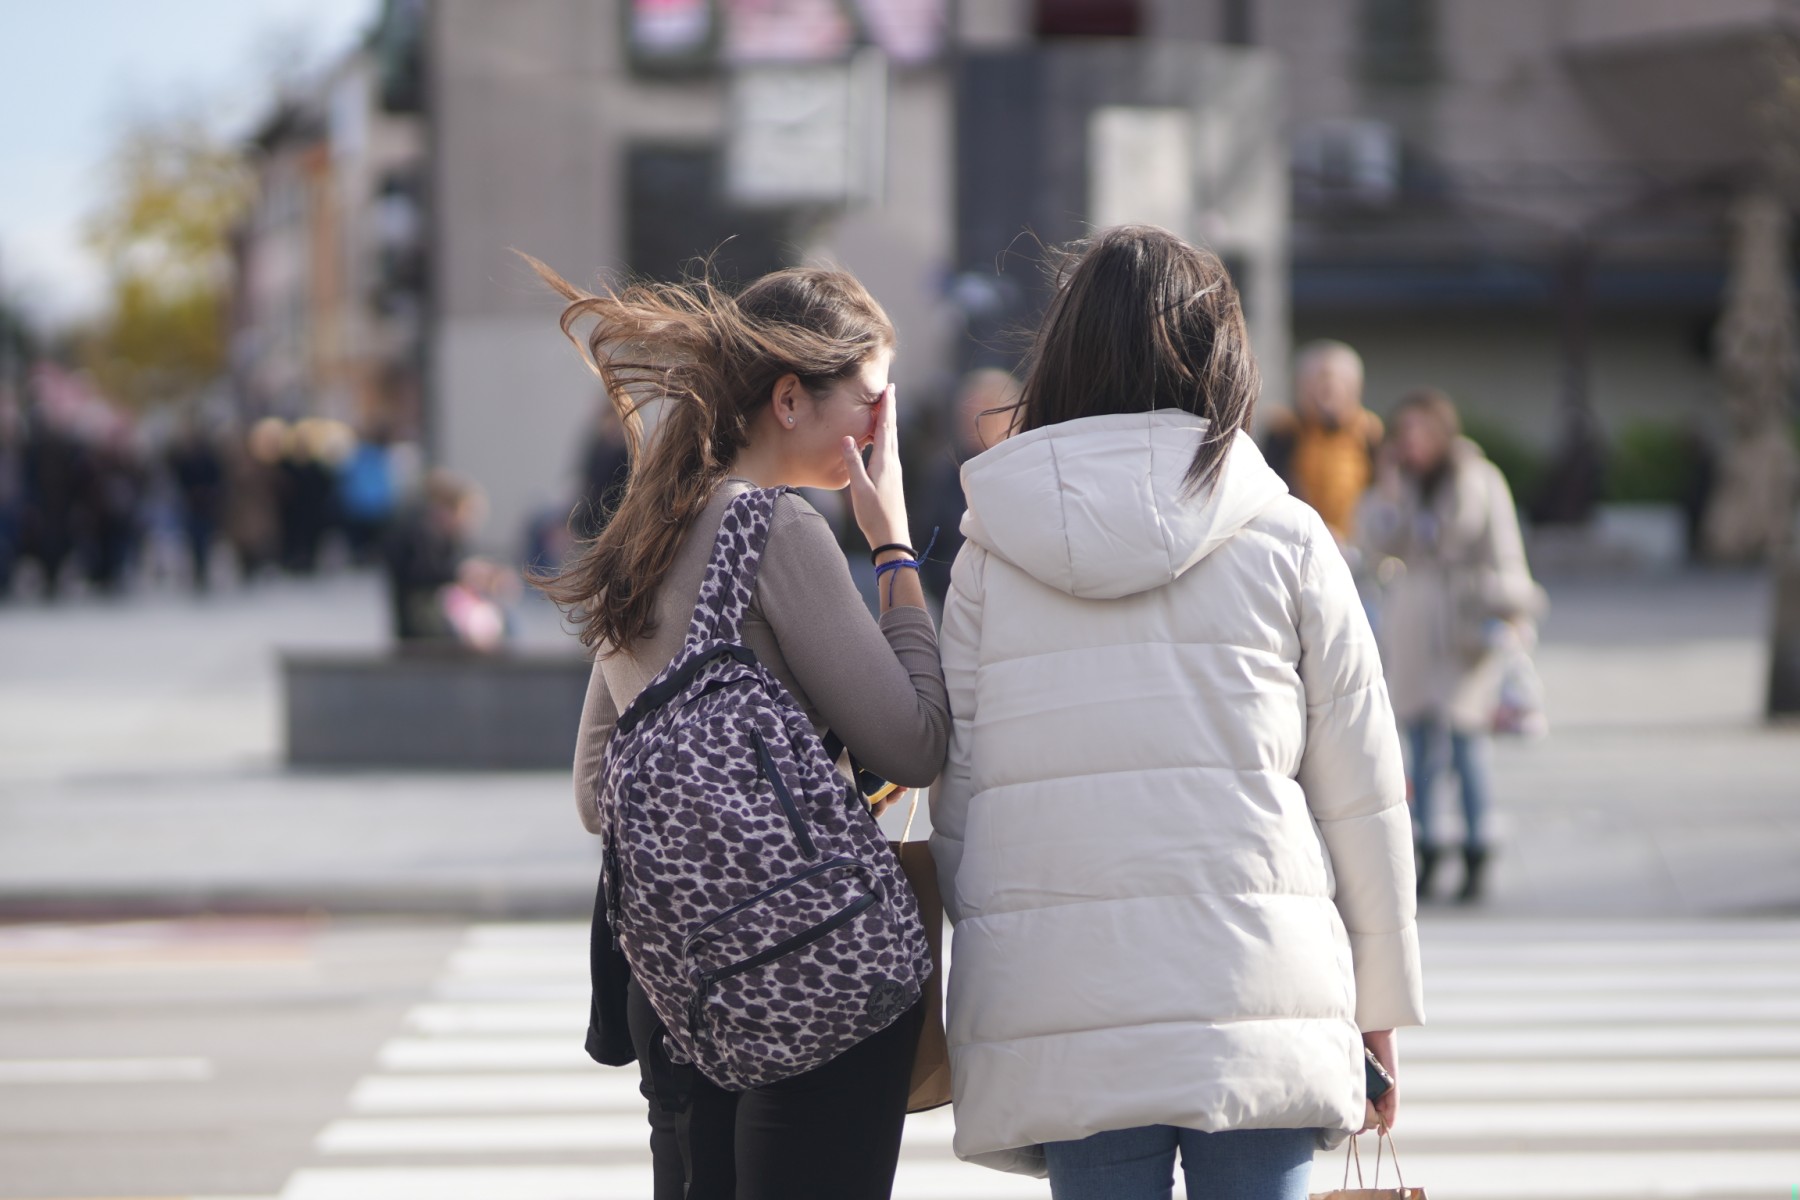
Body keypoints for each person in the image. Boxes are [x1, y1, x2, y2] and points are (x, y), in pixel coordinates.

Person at [930, 225, 1424, 1199]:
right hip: (1259, 989)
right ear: (1222, 356)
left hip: (1064, 999)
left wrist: (995, 980)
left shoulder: (992, 551)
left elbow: (962, 804)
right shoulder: (1285, 535)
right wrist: (1378, 1011)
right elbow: (1363, 793)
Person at [533, 257, 950, 1200]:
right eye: (873, 398)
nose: (886, 426)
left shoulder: (645, 526)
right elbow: (915, 744)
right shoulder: (778, 529)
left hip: (679, 988)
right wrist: (892, 548)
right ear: (792, 400)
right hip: (812, 978)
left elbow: (601, 790)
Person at [1358, 388, 1545, 903]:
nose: (1412, 442)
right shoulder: (1401, 485)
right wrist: (1390, 488)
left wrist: (1510, 610)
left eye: (1421, 431)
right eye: (1404, 433)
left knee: (1466, 741)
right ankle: (1423, 847)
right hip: (1415, 624)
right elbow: (1377, 543)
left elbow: (1503, 547)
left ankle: (1478, 848)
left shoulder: (1475, 477)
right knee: (1414, 743)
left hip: (1465, 623)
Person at [1262, 339, 1383, 545]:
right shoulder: (1285, 433)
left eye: (1337, 381)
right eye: (1317, 381)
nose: (1327, 390)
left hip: (1358, 544)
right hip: (1300, 540)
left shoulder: (1369, 433)